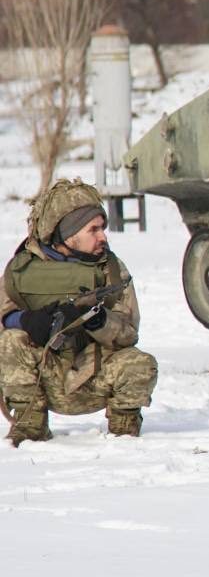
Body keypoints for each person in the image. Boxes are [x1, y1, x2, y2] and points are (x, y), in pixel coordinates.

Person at [1, 178, 157, 444]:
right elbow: (4, 311)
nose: (103, 237)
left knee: (140, 364)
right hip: (43, 377)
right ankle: (29, 426)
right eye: (93, 229)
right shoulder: (24, 268)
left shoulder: (111, 269)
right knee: (9, 342)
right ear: (68, 233)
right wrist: (26, 320)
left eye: (103, 228)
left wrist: (100, 321)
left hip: (93, 376)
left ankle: (124, 431)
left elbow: (129, 334)